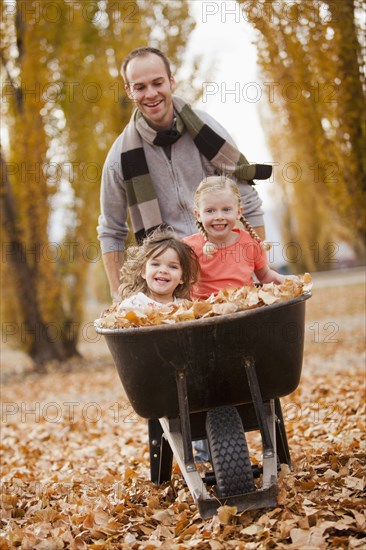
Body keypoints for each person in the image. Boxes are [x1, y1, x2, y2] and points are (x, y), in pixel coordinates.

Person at [97, 46, 272, 302]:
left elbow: (248, 202)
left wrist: (258, 270)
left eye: (158, 83)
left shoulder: (209, 133)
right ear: (129, 91)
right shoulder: (118, 158)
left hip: (226, 273)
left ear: (171, 81)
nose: (151, 93)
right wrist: (117, 292)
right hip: (171, 286)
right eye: (140, 87)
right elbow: (111, 230)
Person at [182, 176, 287, 299]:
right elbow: (179, 283)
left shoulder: (249, 242)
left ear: (238, 212)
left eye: (226, 209)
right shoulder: (188, 248)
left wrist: (281, 279)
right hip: (206, 312)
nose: (219, 216)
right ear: (198, 215)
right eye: (210, 211)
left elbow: (264, 276)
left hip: (245, 306)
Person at [117, 228, 199, 313]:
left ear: (183, 277)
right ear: (144, 271)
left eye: (173, 267)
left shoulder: (184, 307)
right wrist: (160, 314)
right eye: (155, 264)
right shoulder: (133, 305)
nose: (163, 271)